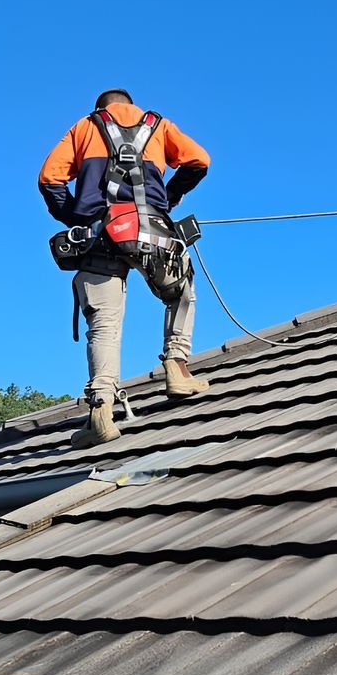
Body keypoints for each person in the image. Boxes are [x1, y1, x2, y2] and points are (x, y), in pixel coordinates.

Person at [39, 89, 213, 447]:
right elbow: (200, 161)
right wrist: (169, 196)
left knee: (103, 325)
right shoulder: (158, 125)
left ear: (99, 108)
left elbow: (49, 179)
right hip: (152, 233)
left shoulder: (85, 127)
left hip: (97, 237)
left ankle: (101, 410)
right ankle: (177, 370)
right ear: (129, 105)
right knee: (180, 293)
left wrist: (74, 216)